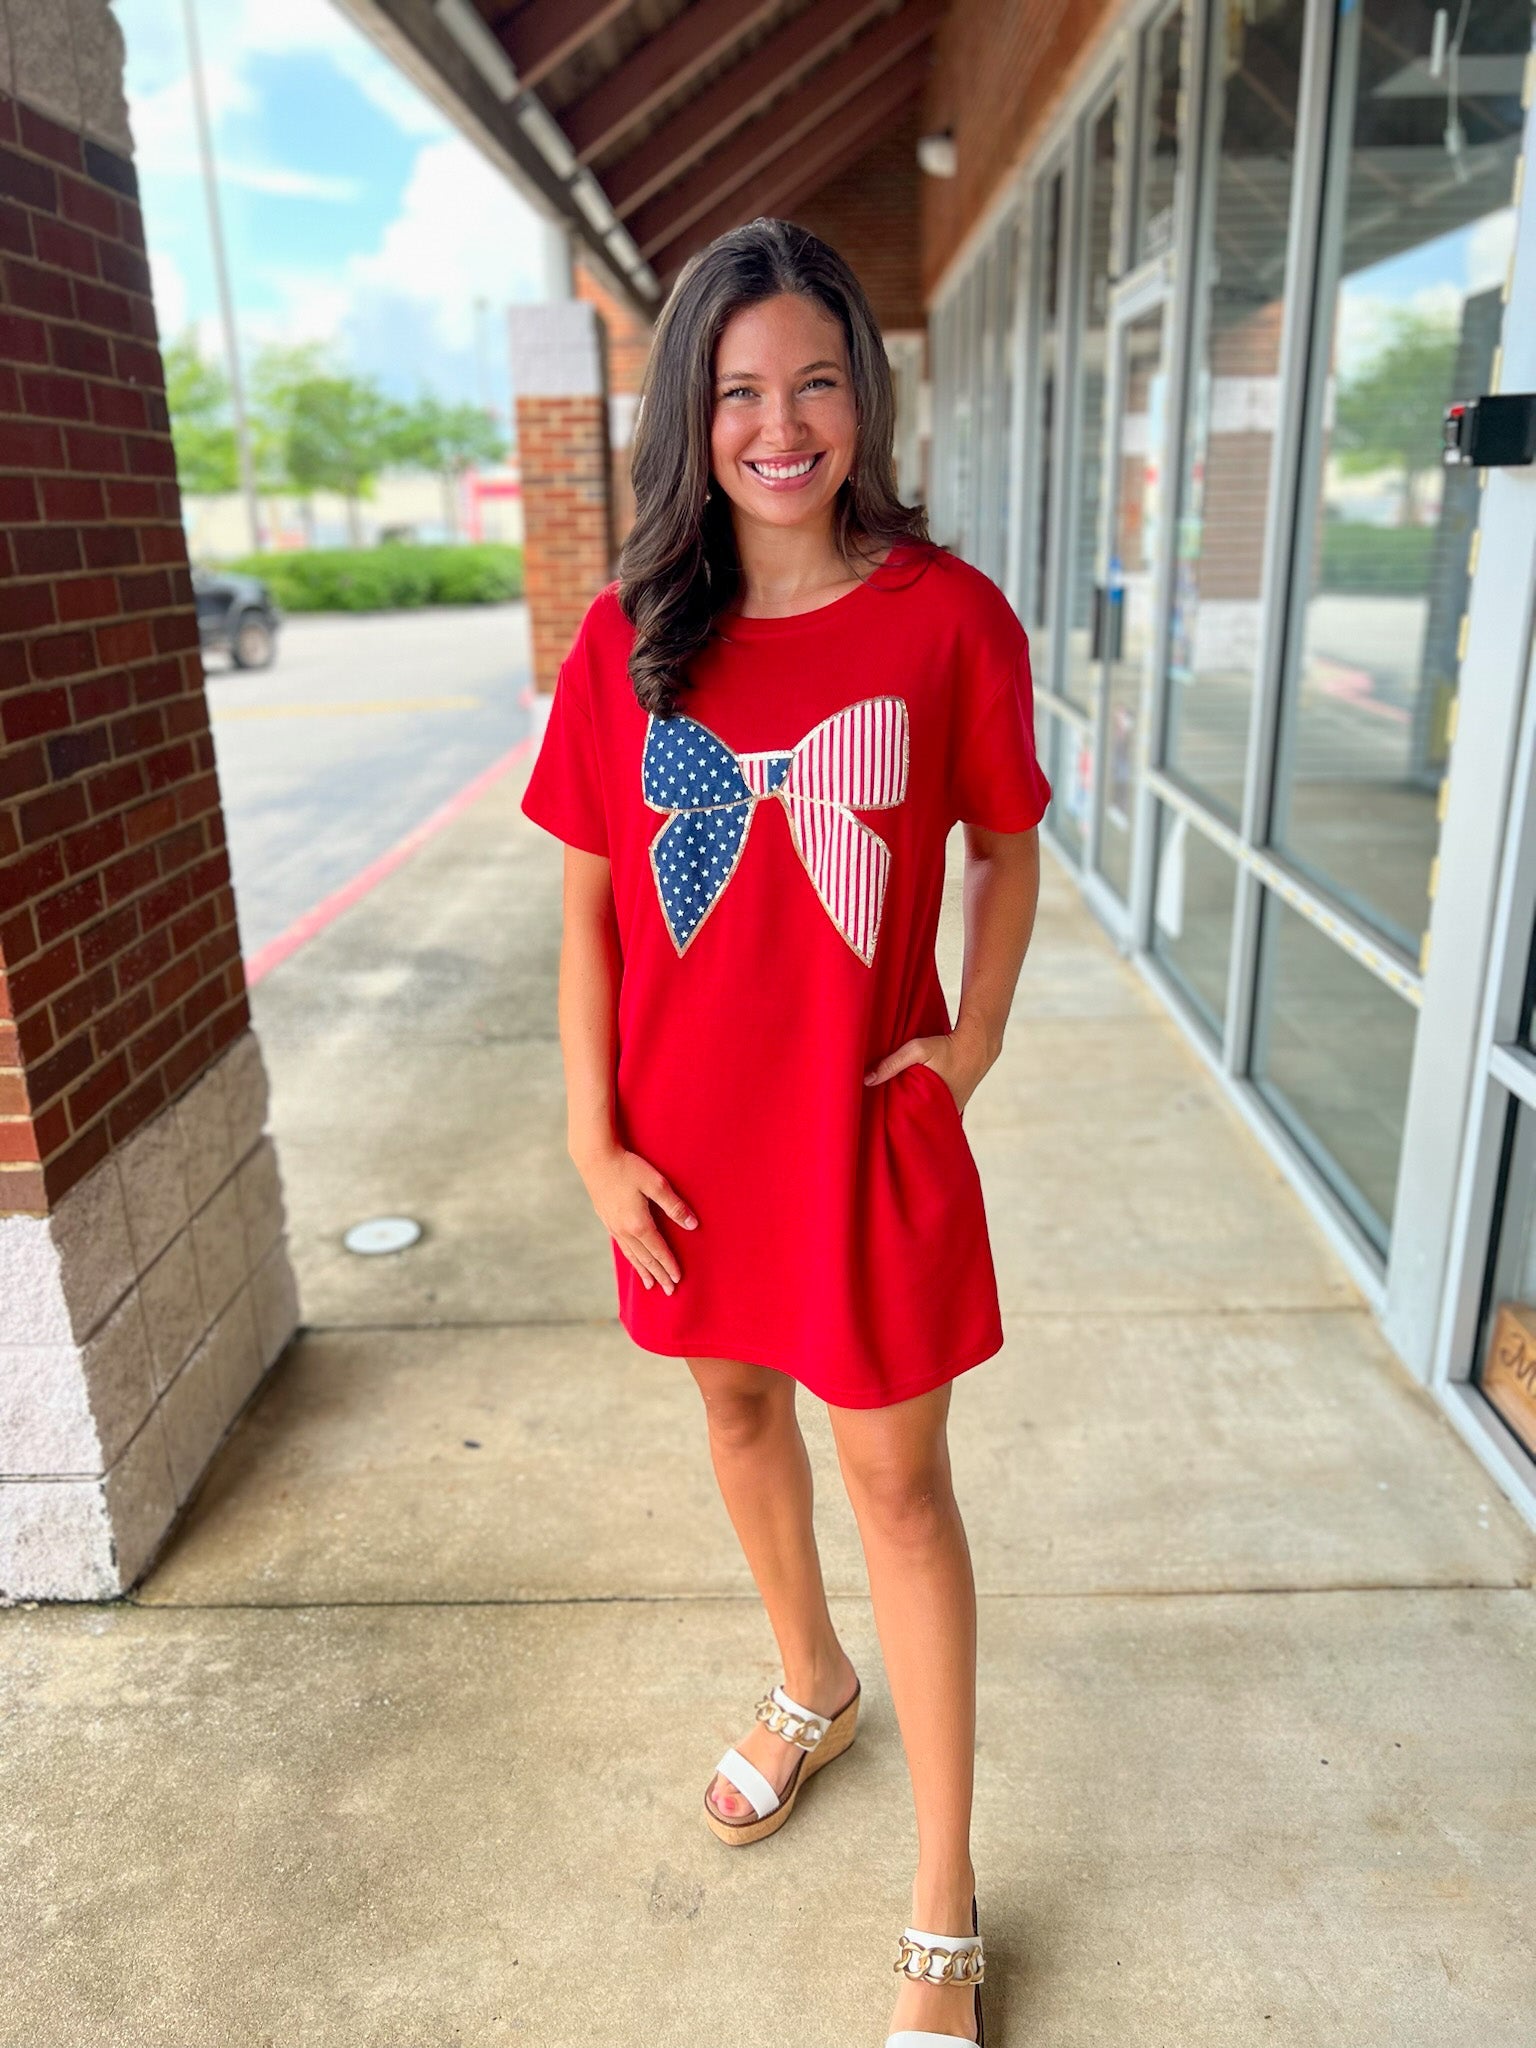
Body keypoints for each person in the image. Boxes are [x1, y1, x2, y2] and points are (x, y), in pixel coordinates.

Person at [519, 216, 1048, 2047]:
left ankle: (942, 1897)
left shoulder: (947, 618)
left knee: (898, 1485)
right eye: (740, 390)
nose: (781, 424)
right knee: (737, 1412)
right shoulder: (625, 641)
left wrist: (972, 1042)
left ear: (862, 399)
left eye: (817, 382)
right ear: (691, 411)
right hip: (682, 1147)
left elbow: (1004, 850)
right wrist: (592, 1140)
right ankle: (812, 1679)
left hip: (865, 1138)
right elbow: (587, 910)